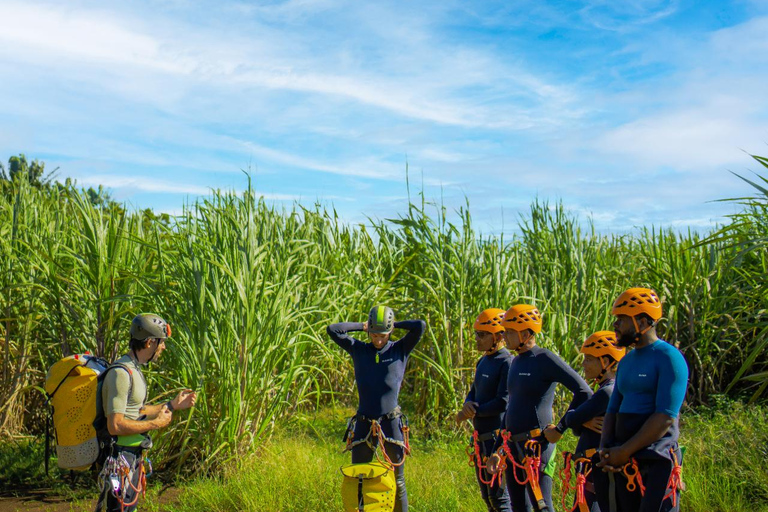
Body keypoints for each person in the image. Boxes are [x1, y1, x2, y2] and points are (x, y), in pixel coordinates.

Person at [488, 304, 592, 512]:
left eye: (509, 332)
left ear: (526, 333)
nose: (504, 336)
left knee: (542, 507)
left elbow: (584, 391)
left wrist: (561, 428)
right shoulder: (515, 361)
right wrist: (497, 449)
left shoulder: (544, 358)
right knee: (519, 507)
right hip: (513, 447)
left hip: (538, 448)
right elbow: (511, 408)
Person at [597, 288, 688, 512]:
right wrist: (606, 449)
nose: (616, 325)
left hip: (656, 461)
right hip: (623, 462)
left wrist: (625, 451)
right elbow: (613, 408)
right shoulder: (627, 361)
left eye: (621, 319)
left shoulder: (668, 357)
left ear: (642, 320)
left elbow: (665, 417)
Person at [327, 305, 426, 512]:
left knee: (398, 481)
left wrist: (392, 325)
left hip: (390, 423)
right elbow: (333, 329)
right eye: (374, 334)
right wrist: (362, 327)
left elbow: (420, 326)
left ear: (389, 333)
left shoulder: (400, 349)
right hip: (364, 423)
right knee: (359, 479)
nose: (378, 340)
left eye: (383, 335)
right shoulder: (359, 349)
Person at [99, 313, 197, 512]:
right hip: (119, 460)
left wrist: (172, 405)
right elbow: (115, 424)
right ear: (150, 342)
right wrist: (156, 424)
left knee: (129, 507)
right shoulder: (121, 373)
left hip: (132, 458)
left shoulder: (134, 370)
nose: (163, 347)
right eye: (161, 342)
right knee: (118, 508)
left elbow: (137, 410)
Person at [543, 330, 625, 512]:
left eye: (588, 359)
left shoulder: (607, 392)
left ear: (605, 361)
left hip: (594, 472)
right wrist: (583, 421)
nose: (583, 364)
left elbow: (572, 418)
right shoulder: (610, 389)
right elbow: (578, 428)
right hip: (591, 472)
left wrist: (578, 418)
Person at [456, 309, 513, 512]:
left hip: (496, 439)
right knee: (488, 498)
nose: (477, 339)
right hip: (481, 439)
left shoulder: (506, 362)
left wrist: (474, 412)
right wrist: (468, 404)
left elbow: (503, 402)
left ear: (498, 336)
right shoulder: (483, 362)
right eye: (476, 334)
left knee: (500, 499)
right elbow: (474, 392)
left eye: (482, 334)